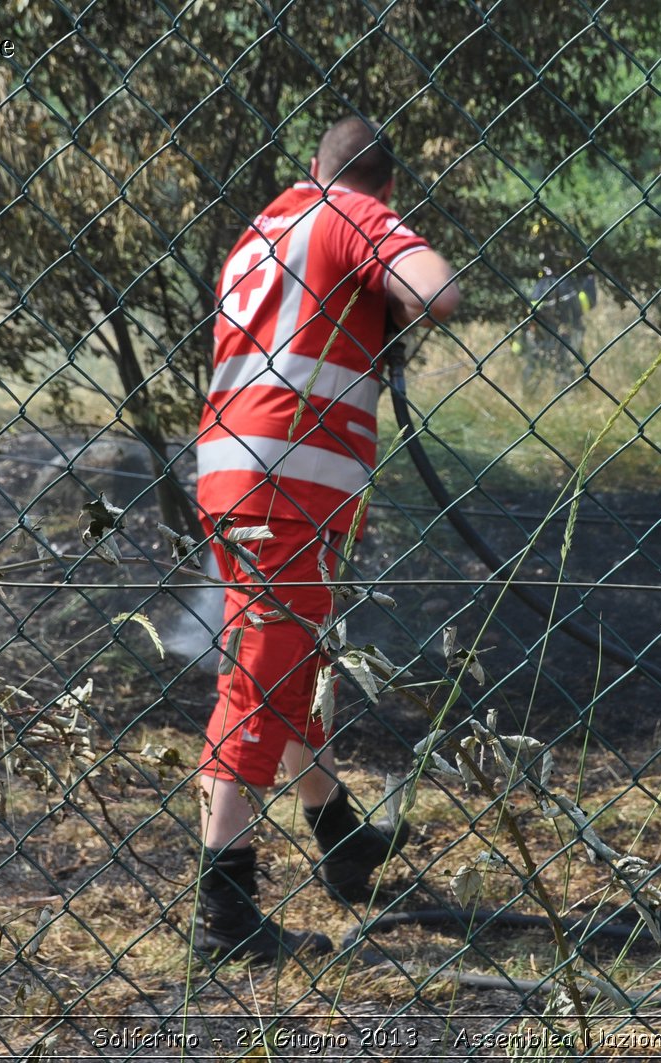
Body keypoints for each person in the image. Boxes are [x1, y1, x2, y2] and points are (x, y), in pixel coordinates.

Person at [189, 116, 461, 964]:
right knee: (263, 677)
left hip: (237, 468)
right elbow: (438, 288)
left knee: (291, 657)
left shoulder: (267, 224)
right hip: (289, 481)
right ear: (383, 187)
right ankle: (225, 912)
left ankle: (339, 837)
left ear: (314, 164)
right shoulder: (351, 213)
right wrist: (396, 285)